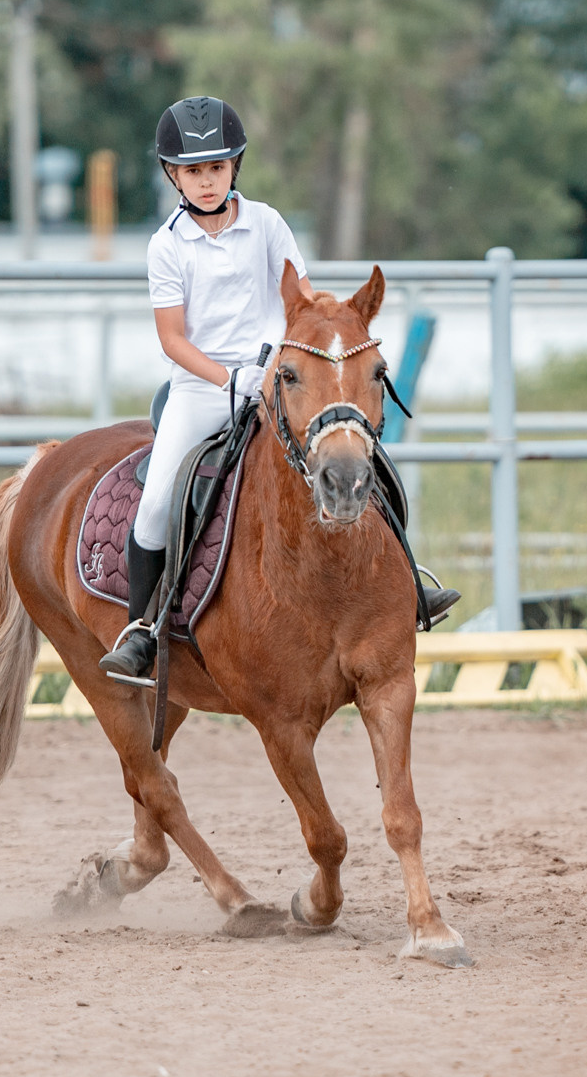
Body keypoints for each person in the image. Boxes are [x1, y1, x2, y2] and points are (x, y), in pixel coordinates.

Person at [99, 96, 458, 683]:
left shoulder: (265, 223)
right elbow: (172, 339)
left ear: (234, 166)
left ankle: (408, 582)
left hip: (279, 376)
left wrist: (294, 360)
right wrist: (229, 378)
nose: (207, 181)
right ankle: (143, 629)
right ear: (174, 175)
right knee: (156, 503)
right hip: (202, 386)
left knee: (354, 450)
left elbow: (304, 302)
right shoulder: (165, 246)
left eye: (216, 168)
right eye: (194, 171)